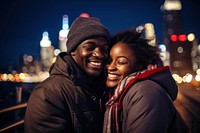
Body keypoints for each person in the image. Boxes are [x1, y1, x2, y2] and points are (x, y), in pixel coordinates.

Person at [24, 16, 111, 133]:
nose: (100, 55)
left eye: (104, 49)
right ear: (73, 51)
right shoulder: (47, 94)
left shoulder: (104, 87)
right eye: (90, 47)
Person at [103, 28, 180, 133]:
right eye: (109, 60)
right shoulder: (121, 92)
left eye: (121, 62)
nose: (110, 67)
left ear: (138, 66)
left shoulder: (145, 92)